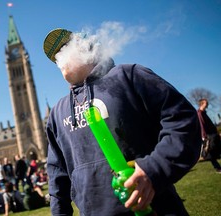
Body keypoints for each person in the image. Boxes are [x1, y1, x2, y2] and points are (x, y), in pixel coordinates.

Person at [43, 28, 201, 215]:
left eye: (64, 49)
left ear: (86, 49)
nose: (59, 58)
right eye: (56, 57)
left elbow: (182, 121)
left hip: (155, 208)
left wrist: (153, 170)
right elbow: (57, 175)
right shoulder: (57, 112)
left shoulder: (128, 76)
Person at [197, 98, 221, 173]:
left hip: (213, 135)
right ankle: (218, 168)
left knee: (215, 151)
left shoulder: (204, 113)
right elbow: (202, 125)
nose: (207, 104)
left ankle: (218, 167)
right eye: (205, 103)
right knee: (211, 152)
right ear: (202, 104)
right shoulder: (199, 113)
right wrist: (204, 136)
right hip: (209, 136)